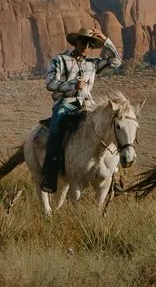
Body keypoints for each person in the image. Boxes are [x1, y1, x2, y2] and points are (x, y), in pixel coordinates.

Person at [41, 26, 122, 195]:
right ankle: (50, 175)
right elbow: (50, 83)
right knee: (55, 132)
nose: (87, 46)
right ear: (76, 42)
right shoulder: (60, 60)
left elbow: (116, 61)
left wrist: (105, 40)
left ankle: (115, 174)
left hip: (87, 104)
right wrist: (72, 85)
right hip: (65, 103)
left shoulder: (92, 65)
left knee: (109, 126)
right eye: (83, 42)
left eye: (90, 44)